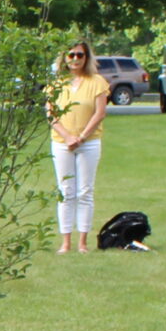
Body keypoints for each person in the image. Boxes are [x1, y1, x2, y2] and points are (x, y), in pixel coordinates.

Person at [51, 39, 112, 254]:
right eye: (71, 55)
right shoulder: (56, 84)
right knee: (66, 191)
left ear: (86, 58)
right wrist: (67, 137)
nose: (75, 59)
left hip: (89, 142)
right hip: (61, 143)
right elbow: (51, 114)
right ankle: (65, 242)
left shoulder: (97, 82)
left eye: (80, 55)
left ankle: (82, 243)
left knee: (85, 191)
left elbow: (100, 112)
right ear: (64, 58)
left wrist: (82, 137)